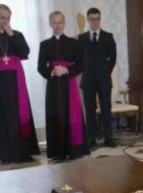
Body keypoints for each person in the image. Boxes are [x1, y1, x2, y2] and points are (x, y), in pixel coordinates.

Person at [0, 4, 40, 163]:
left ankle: (23, 151)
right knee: (3, 117)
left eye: (7, 18)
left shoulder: (16, 35)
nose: (5, 21)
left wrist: (11, 35)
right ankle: (5, 154)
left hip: (16, 81)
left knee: (19, 116)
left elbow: (25, 53)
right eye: (2, 18)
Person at [37, 11, 89, 160]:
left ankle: (74, 150)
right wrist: (52, 72)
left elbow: (81, 64)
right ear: (50, 24)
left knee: (71, 116)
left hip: (69, 84)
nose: (57, 25)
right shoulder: (45, 45)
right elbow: (40, 67)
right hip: (53, 86)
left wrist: (67, 69)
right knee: (55, 117)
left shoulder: (74, 43)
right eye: (54, 22)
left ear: (64, 24)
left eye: (60, 22)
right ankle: (57, 151)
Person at [78, 7, 117, 148]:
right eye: (92, 19)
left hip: (104, 80)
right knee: (89, 110)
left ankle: (108, 138)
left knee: (106, 109)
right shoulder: (81, 38)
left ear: (100, 19)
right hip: (88, 80)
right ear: (88, 20)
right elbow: (79, 59)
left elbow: (112, 58)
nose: (95, 22)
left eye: (97, 19)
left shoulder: (108, 36)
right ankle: (91, 139)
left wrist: (105, 72)